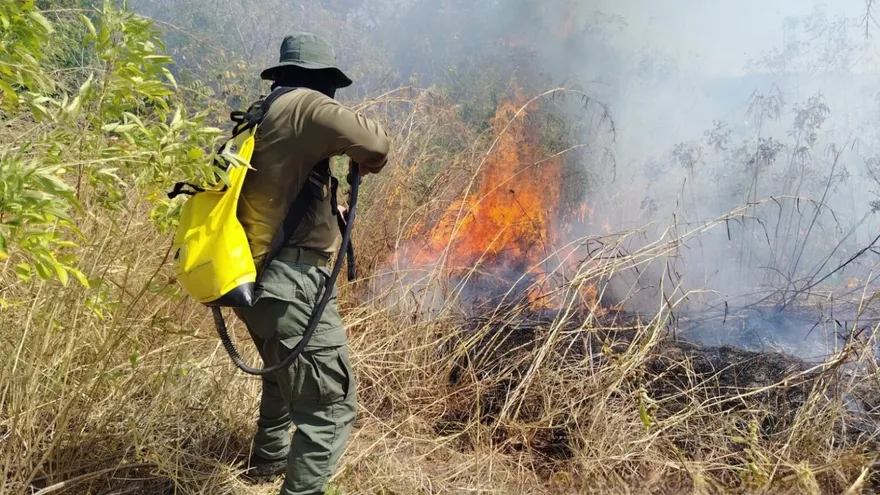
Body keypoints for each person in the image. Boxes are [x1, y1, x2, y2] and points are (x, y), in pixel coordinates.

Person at [233, 32, 390, 495]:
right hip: (291, 283)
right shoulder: (306, 106)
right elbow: (376, 146)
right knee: (329, 408)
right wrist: (347, 147)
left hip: (256, 280)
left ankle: (265, 466)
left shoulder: (262, 114)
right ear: (322, 80)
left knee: (285, 380)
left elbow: (281, 197)